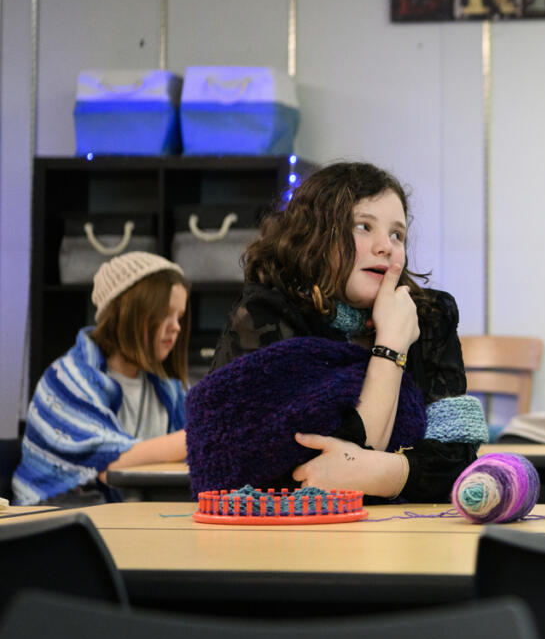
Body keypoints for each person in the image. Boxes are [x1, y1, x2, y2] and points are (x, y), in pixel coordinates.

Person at [185, 161, 488, 502]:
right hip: (292, 543)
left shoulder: (429, 316)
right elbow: (296, 472)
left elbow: (457, 464)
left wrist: (377, 472)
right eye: (363, 226)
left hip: (404, 536)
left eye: (397, 234)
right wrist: (391, 346)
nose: (385, 246)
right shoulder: (269, 313)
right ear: (316, 236)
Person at [13, 252, 190, 506]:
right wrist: (197, 436)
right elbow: (109, 463)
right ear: (127, 311)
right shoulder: (66, 380)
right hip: (53, 529)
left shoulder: (168, 390)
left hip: (130, 523)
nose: (177, 327)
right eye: (165, 313)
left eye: (180, 317)